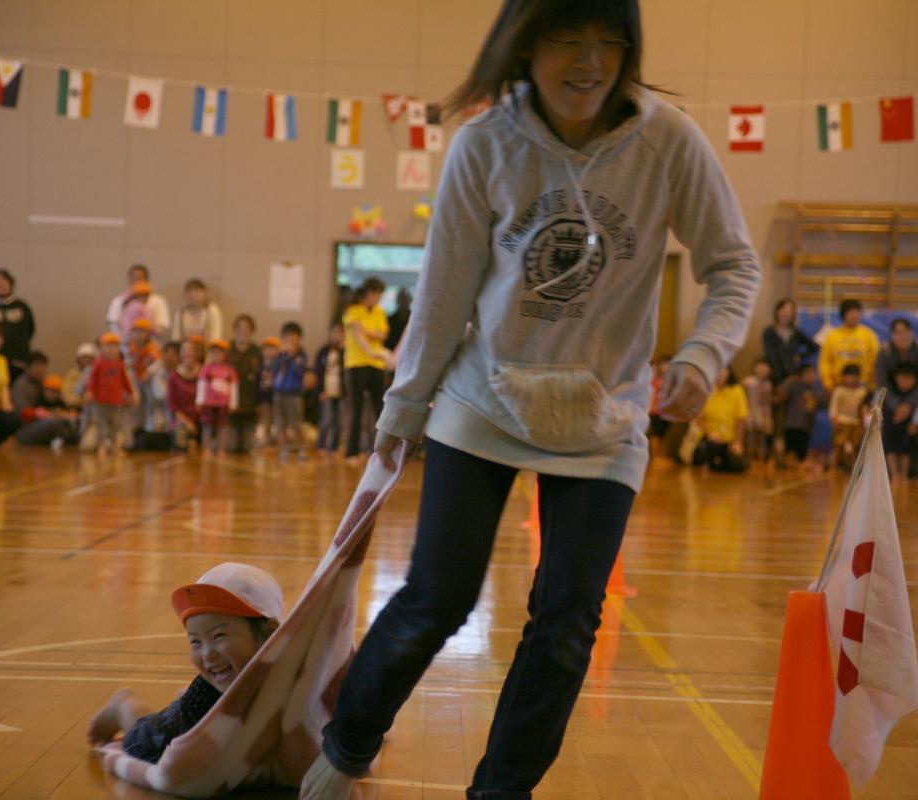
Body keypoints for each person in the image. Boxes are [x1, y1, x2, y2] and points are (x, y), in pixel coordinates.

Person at [299, 2, 760, 796]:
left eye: (608, 41)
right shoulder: (485, 145)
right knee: (434, 603)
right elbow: (442, 295)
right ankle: (346, 746)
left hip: (606, 416)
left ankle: (501, 790)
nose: (589, 63)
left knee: (566, 628)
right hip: (483, 403)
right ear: (524, 44)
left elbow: (734, 264)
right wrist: (401, 415)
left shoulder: (667, 141)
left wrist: (704, 354)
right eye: (565, 39)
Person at [87, 563, 283, 766]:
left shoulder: (293, 665)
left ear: (269, 633)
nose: (207, 654)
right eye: (195, 642)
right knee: (142, 743)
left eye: (219, 636)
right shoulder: (205, 698)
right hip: (178, 724)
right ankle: (123, 706)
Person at [341, 277, 389, 462]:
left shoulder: (380, 312)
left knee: (379, 407)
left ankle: (380, 450)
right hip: (356, 364)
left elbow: (383, 334)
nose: (378, 298)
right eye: (376, 294)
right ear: (368, 293)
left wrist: (366, 331)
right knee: (356, 408)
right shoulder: (352, 311)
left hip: (376, 365)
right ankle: (351, 452)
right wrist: (372, 344)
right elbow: (359, 338)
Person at [875, 317, 918, 445]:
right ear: (892, 336)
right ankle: (879, 451)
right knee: (872, 413)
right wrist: (895, 405)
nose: (903, 336)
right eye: (898, 333)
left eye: (906, 332)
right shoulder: (885, 351)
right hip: (890, 393)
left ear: (912, 333)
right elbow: (882, 383)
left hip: (915, 393)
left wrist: (909, 404)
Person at [86, 332, 137, 457]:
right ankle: (101, 446)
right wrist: (90, 392)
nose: (112, 350)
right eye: (108, 346)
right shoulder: (98, 364)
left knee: (115, 425)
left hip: (116, 400)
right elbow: (92, 380)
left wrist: (130, 393)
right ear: (102, 349)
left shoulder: (120, 365)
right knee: (101, 424)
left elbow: (125, 381)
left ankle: (114, 446)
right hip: (100, 401)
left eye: (115, 346)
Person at [692, 367, 747, 473]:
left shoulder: (737, 390)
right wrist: (709, 433)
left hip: (729, 440)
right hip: (710, 439)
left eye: (723, 370)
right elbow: (698, 419)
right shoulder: (707, 390)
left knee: (738, 466)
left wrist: (737, 442)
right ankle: (711, 462)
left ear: (728, 372)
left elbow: (740, 419)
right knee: (710, 448)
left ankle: (719, 464)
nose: (720, 374)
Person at [817, 298, 879, 393]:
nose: (854, 315)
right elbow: (825, 362)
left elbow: (875, 360)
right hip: (838, 386)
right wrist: (828, 384)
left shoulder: (869, 335)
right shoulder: (832, 336)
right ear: (843, 314)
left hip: (863, 386)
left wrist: (871, 385)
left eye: (857, 312)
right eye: (851, 312)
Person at [881, 362, 918, 481]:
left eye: (909, 378)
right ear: (896, 378)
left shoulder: (916, 396)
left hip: (907, 427)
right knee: (890, 446)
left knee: (905, 447)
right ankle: (894, 473)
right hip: (890, 425)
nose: (905, 382)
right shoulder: (890, 394)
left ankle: (904, 474)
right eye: (902, 378)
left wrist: (915, 423)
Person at [777, 363, 826, 470]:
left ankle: (799, 463)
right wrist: (789, 381)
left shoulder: (814, 390)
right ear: (801, 376)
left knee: (801, 448)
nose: (812, 376)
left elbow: (822, 400)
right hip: (792, 423)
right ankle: (789, 463)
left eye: (813, 374)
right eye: (808, 374)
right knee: (790, 446)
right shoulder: (795, 386)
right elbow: (781, 394)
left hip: (805, 425)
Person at [226, 315, 263, 454]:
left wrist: (260, 403)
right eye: (240, 327)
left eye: (247, 328)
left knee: (248, 449)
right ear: (234, 330)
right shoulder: (227, 351)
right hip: (230, 408)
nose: (243, 331)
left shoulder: (257, 352)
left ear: (252, 331)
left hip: (251, 407)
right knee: (230, 447)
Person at [272, 322, 308, 460]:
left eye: (293, 336)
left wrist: (291, 357)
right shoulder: (280, 355)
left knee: (296, 424)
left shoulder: (300, 355)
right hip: (279, 392)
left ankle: (302, 449)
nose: (289, 340)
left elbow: (299, 371)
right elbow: (274, 370)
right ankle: (284, 449)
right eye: (286, 337)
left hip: (294, 394)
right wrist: (280, 356)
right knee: (280, 423)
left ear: (299, 338)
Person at [762, 297, 817, 386]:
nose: (786, 313)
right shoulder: (769, 332)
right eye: (783, 309)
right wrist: (779, 379)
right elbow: (770, 356)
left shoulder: (795, 332)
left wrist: (801, 355)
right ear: (777, 311)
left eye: (790, 310)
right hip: (775, 375)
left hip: (793, 375)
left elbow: (814, 346)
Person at [197, 339, 239, 453]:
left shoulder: (230, 370)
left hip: (223, 404)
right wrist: (200, 400)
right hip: (209, 403)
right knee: (207, 426)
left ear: (225, 355)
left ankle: (221, 448)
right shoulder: (206, 369)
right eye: (213, 352)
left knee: (222, 427)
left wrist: (233, 403)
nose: (216, 355)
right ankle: (207, 447)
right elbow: (202, 385)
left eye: (219, 352)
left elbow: (234, 388)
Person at [107, 264, 170, 336]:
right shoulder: (119, 300)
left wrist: (143, 334)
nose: (136, 280)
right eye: (132, 277)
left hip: (151, 341)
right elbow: (113, 323)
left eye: (139, 278)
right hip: (125, 342)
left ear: (146, 280)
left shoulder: (159, 300)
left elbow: (162, 325)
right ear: (128, 279)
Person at [126, 318, 163, 431]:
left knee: (151, 401)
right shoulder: (129, 345)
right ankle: (135, 426)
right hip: (134, 378)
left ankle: (152, 425)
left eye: (143, 331)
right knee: (135, 402)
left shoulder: (153, 347)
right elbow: (127, 363)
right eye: (137, 331)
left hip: (149, 379)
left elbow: (158, 362)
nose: (140, 334)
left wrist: (148, 373)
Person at [829, 364, 867, 470]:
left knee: (855, 446)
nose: (852, 379)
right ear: (844, 377)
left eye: (855, 376)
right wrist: (834, 419)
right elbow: (834, 407)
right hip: (842, 421)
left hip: (856, 422)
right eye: (849, 376)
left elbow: (864, 408)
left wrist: (864, 421)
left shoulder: (862, 392)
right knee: (838, 445)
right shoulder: (839, 390)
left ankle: (853, 466)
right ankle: (834, 466)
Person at [315, 321, 346, 454]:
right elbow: (318, 373)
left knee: (338, 421)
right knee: (326, 420)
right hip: (327, 391)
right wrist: (320, 390)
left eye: (340, 332)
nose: (337, 335)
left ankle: (334, 447)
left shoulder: (347, 352)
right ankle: (321, 445)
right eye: (334, 332)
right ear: (329, 334)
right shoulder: (322, 351)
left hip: (341, 392)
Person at [169, 339, 203, 451]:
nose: (188, 353)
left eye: (191, 349)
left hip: (204, 418)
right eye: (185, 350)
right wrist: (188, 423)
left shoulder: (205, 372)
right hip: (182, 420)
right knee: (181, 443)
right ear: (180, 354)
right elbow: (173, 407)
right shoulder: (173, 376)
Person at [740, 358, 773, 464]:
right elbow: (742, 398)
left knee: (761, 439)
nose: (762, 369)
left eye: (765, 367)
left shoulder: (768, 385)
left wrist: (767, 417)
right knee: (749, 438)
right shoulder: (747, 381)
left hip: (762, 414)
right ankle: (748, 461)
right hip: (748, 412)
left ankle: (760, 461)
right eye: (760, 366)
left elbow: (767, 403)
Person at [171, 278, 223, 344]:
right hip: (186, 349)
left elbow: (215, 336)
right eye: (189, 291)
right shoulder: (180, 313)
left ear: (204, 293)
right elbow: (175, 337)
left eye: (196, 291)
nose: (192, 294)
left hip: (206, 348)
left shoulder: (212, 310)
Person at [257, 336, 280, 448]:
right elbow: (256, 384)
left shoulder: (280, 367)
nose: (269, 352)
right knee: (266, 422)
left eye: (272, 349)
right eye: (266, 349)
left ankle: (277, 443)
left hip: (276, 399)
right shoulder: (259, 367)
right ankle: (266, 444)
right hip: (264, 399)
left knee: (277, 423)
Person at [384, 287, 412, 352]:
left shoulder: (414, 321)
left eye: (405, 299)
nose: (403, 302)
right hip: (392, 354)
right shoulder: (389, 320)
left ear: (410, 300)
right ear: (397, 300)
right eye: (401, 299)